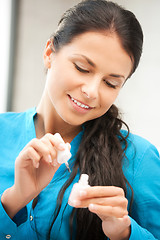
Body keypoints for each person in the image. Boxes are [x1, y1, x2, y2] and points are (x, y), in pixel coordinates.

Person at [0, 0, 159, 239]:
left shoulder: (139, 158)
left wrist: (125, 232)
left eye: (110, 83)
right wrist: (13, 200)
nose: (92, 91)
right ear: (49, 53)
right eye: (82, 68)